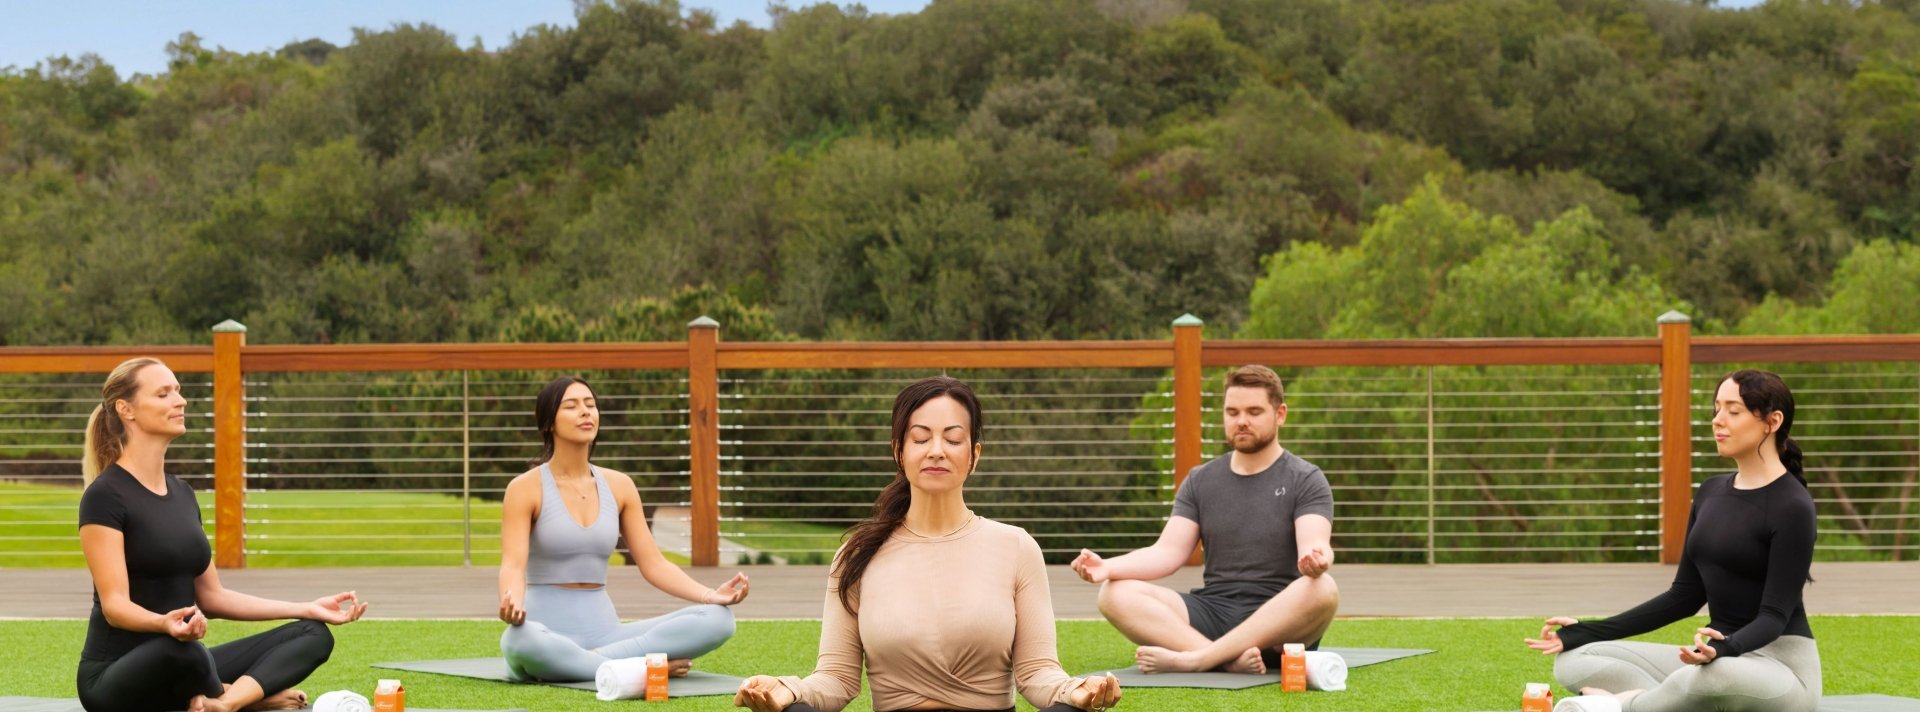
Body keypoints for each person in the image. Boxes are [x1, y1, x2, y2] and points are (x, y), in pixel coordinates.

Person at [733, 376, 1123, 712]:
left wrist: (1076, 689)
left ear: (974, 456)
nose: (936, 449)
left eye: (953, 439)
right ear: (898, 451)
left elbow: (1038, 673)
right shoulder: (856, 554)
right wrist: (789, 689)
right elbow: (836, 678)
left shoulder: (1016, 547)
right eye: (920, 438)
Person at [77, 357, 368, 712]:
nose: (180, 401)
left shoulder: (182, 493)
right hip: (115, 677)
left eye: (179, 391)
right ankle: (249, 700)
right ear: (127, 409)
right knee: (185, 652)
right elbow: (114, 607)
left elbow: (212, 597)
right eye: (164, 393)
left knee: (312, 634)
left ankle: (226, 702)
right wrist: (164, 625)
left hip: (184, 660)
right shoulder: (105, 496)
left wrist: (306, 608)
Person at [1525, 369, 1821, 712]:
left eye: (1733, 411)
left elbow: (1774, 616)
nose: (1717, 420)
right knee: (1576, 660)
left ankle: (1623, 706)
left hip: (1779, 670)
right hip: (1713, 657)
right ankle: (1670, 702)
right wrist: (1588, 630)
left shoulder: (1793, 506)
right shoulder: (1711, 492)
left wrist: (1724, 648)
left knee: (1711, 678)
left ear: (1773, 421)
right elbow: (1684, 596)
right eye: (1716, 408)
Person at [1069, 364, 1338, 675]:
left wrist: (1317, 559)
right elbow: (1167, 553)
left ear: (1280, 414)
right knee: (1114, 593)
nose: (1242, 421)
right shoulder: (1201, 480)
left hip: (1280, 625)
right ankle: (1224, 659)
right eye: (1232, 412)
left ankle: (1196, 660)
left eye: (1254, 412)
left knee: (1324, 588)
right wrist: (1107, 567)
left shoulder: (1306, 479)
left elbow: (1317, 544)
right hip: (1213, 613)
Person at [498, 375, 747, 683]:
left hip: (609, 635)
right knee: (519, 641)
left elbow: (653, 563)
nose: (586, 412)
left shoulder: (620, 485)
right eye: (572, 406)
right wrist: (512, 602)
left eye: (591, 405)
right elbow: (513, 563)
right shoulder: (524, 488)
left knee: (719, 620)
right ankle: (643, 668)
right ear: (549, 422)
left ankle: (591, 665)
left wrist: (710, 595)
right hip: (545, 633)